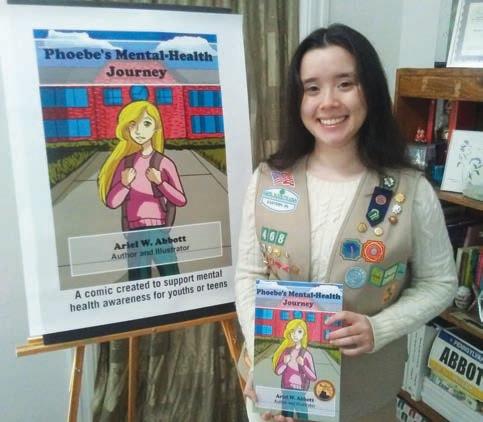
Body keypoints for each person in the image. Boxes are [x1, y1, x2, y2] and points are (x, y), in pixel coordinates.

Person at [234, 24, 457, 421]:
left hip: (365, 397)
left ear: (370, 90)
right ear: (298, 99)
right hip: (277, 394)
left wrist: (380, 328)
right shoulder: (268, 179)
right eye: (312, 88)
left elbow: (440, 283)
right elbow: (249, 275)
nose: (329, 102)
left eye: (345, 83)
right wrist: (262, 356)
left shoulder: (412, 190)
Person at [98, 100, 187, 280]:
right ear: (127, 129)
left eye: (146, 123)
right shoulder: (126, 163)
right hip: (134, 233)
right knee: (139, 282)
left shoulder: (163, 163)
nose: (139, 130)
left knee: (172, 278)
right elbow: (112, 202)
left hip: (159, 231)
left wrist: (160, 182)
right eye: (133, 125)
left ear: (156, 128)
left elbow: (180, 199)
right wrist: (124, 184)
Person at [272, 319, 317, 420]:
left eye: (299, 331)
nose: (295, 335)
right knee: (286, 418)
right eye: (292, 332)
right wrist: (284, 362)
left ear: (304, 334)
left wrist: (303, 365)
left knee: (303, 418)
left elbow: (313, 377)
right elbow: (278, 372)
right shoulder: (286, 351)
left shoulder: (306, 354)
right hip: (286, 391)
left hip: (300, 392)